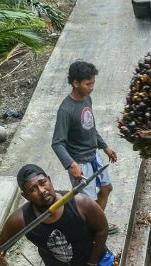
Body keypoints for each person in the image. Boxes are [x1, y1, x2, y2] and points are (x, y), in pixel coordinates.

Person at [52, 59, 118, 224]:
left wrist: (104, 147)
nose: (92, 87)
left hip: (94, 156)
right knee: (86, 204)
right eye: (88, 84)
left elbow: (90, 127)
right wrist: (71, 164)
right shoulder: (66, 110)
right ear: (75, 83)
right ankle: (92, 228)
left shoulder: (87, 98)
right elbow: (57, 143)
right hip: (80, 163)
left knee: (106, 188)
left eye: (93, 83)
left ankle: (97, 224)